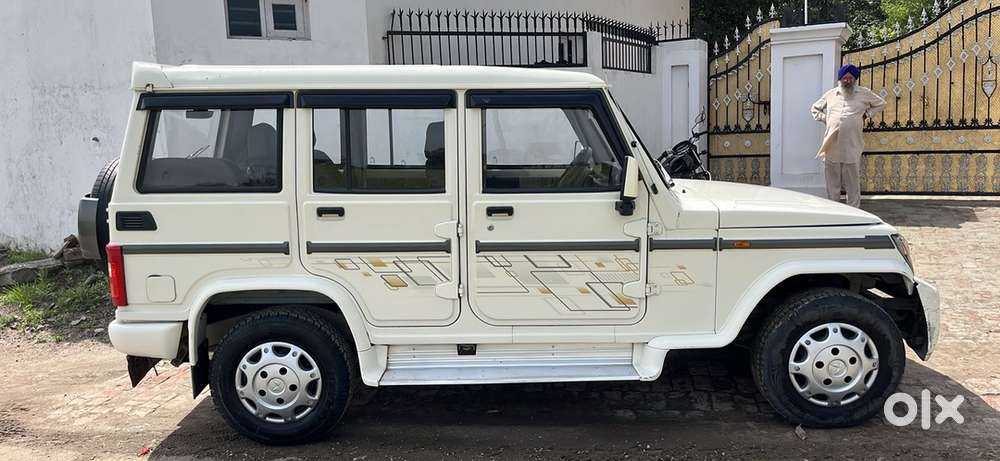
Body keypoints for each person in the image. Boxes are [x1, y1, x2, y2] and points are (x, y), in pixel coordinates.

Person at [810, 64, 886, 207]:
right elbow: (815, 109)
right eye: (845, 78)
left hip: (852, 144)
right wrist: (827, 119)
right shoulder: (831, 94)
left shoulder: (864, 93)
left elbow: (881, 104)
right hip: (832, 144)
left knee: (852, 180)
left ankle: (854, 209)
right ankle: (834, 208)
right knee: (832, 180)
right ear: (840, 79)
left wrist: (867, 114)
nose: (847, 81)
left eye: (850, 78)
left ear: (855, 79)